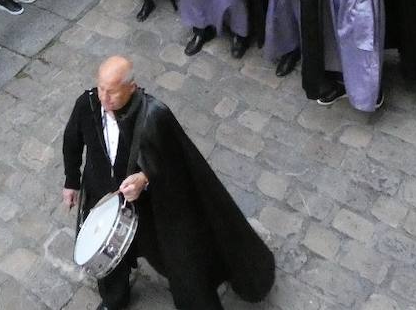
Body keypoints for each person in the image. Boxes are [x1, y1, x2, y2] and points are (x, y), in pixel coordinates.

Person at [63, 58, 277, 310]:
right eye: (101, 88)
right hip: (103, 199)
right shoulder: (86, 105)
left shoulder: (154, 115)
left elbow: (175, 161)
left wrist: (144, 178)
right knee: (110, 261)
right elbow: (72, 141)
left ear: (132, 87)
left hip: (148, 208)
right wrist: (71, 182)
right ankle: (114, 299)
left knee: (178, 262)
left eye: (112, 91)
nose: (104, 97)